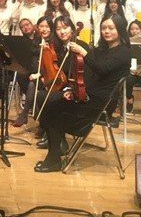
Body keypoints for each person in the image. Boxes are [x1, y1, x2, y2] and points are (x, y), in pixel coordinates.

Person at [34, 13, 132, 172]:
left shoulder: (123, 52)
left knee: (53, 110)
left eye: (111, 28)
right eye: (104, 28)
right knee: (50, 104)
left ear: (120, 29)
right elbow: (89, 76)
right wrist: (74, 91)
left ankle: (54, 157)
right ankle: (54, 154)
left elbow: (101, 70)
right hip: (89, 96)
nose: (106, 31)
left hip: (101, 104)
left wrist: (83, 52)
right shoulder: (102, 50)